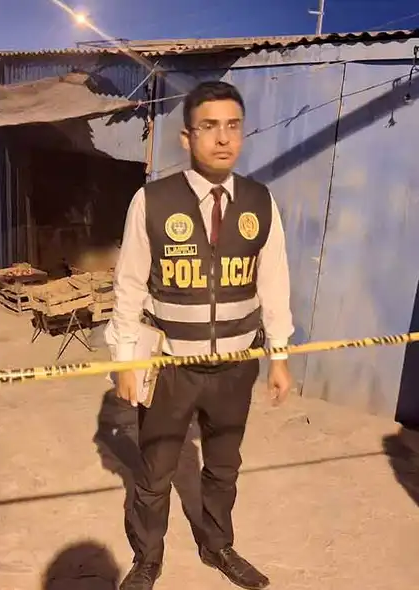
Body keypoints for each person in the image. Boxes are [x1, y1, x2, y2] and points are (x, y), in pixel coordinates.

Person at [109, 81, 294, 590]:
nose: (223, 139)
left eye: (232, 126)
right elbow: (127, 286)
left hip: (236, 366)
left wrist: (279, 356)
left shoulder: (260, 201)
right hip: (170, 366)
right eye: (209, 127)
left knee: (224, 467)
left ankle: (218, 546)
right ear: (186, 138)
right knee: (156, 470)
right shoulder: (152, 201)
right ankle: (147, 558)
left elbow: (274, 283)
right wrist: (126, 360)